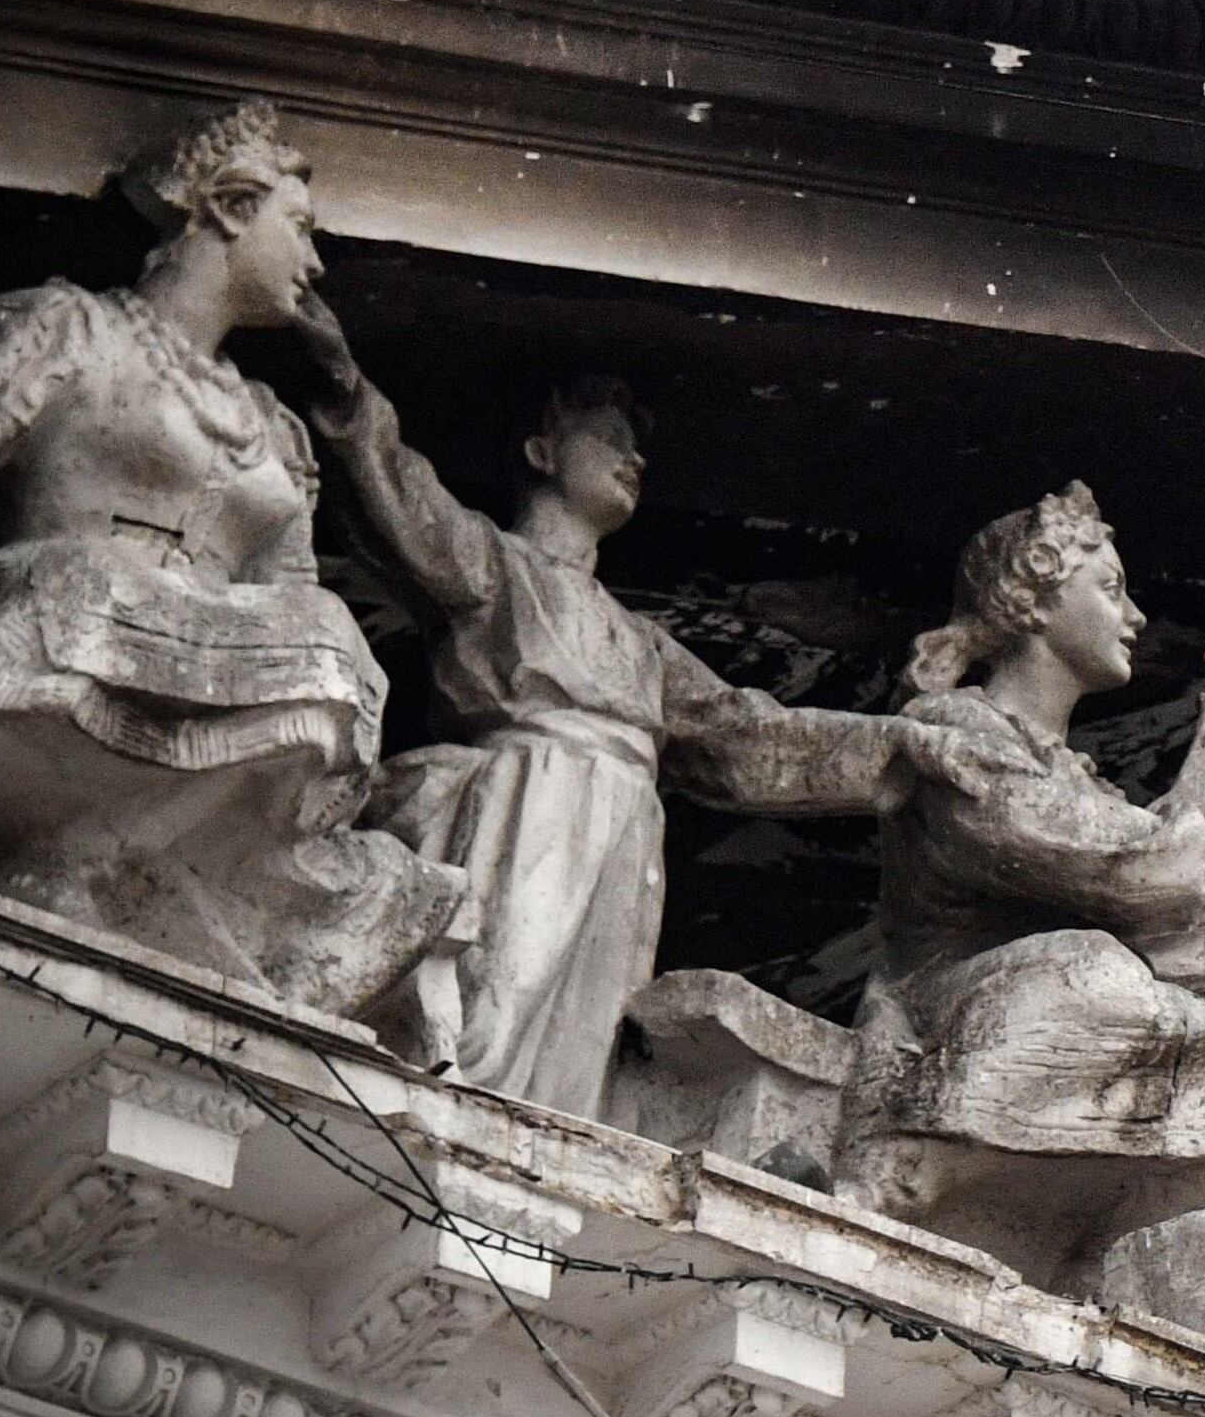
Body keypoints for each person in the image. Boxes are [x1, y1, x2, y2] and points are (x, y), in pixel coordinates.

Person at [296, 354, 955, 1115]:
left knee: (580, 1053)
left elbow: (751, 738)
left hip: (624, 828)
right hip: (534, 797)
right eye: (608, 438)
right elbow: (400, 494)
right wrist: (344, 386)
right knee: (493, 1007)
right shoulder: (495, 566)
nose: (633, 458)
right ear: (541, 453)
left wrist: (906, 749)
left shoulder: (640, 644)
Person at [834, 484, 1205, 1290]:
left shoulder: (1091, 786)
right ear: (1033, 601)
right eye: (1110, 589)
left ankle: (1124, 1240)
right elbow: (1074, 849)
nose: (1134, 616)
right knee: (1093, 968)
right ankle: (918, 1158)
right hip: (949, 1004)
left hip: (1101, 993)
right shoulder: (960, 734)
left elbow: (1163, 867)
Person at [0, 99, 456, 1012]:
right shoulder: (72, 332)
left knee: (327, 647)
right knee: (98, 585)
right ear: (231, 211)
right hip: (62, 613)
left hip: (215, 667)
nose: (314, 265)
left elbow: (296, 598)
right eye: (300, 229)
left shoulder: (272, 428)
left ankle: (99, 863)